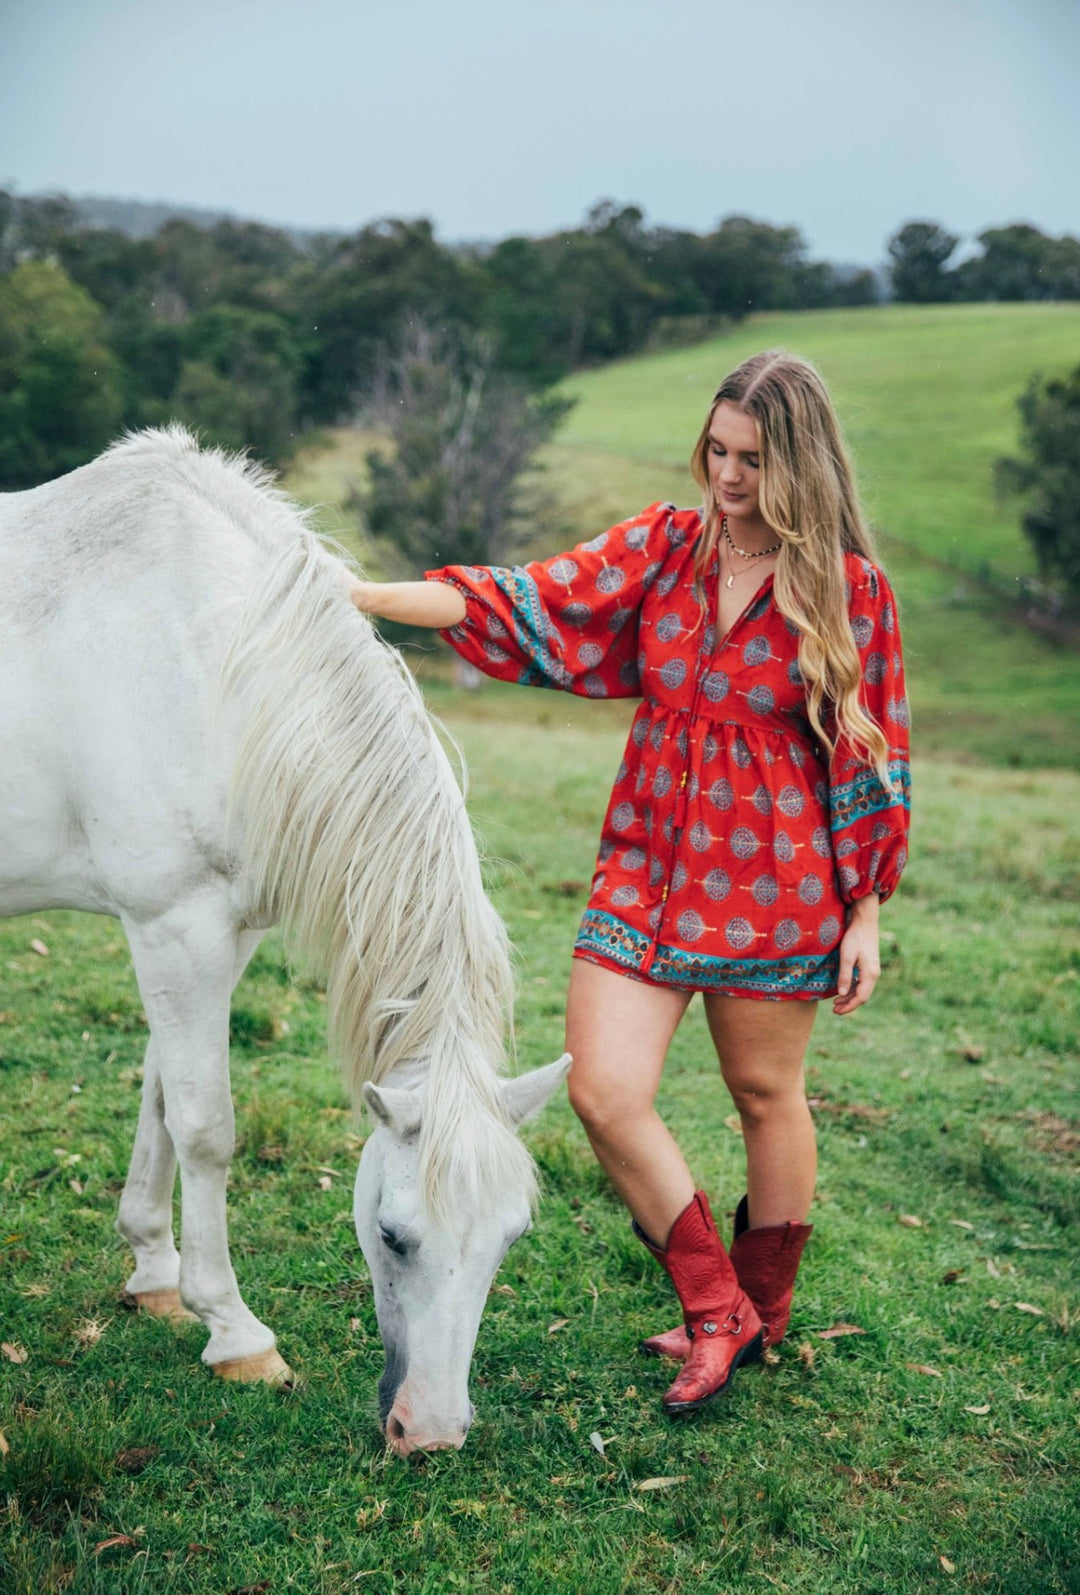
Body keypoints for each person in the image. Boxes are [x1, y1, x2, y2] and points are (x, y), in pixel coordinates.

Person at [349, 350, 910, 1413]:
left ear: (800, 462)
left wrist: (866, 906)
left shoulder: (847, 590)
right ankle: (715, 1307)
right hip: (645, 868)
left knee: (763, 1094)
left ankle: (758, 1313)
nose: (727, 474)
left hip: (775, 882)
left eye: (752, 458)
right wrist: (362, 594)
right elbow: (523, 602)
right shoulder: (664, 550)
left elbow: (868, 750)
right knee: (604, 1090)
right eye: (717, 449)